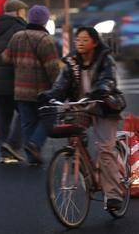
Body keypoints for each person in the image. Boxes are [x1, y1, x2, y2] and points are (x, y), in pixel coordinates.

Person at [39, 26, 124, 211]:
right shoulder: (72, 62)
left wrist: (101, 90)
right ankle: (86, 167)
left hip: (103, 105)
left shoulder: (105, 59)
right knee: (74, 139)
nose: (80, 43)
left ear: (94, 43)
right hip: (81, 106)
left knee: (105, 150)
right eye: (78, 40)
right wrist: (50, 95)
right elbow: (61, 85)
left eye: (85, 40)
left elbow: (108, 79)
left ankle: (113, 195)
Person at [2, 5, 60, 165]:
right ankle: (34, 145)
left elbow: (5, 58)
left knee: (28, 122)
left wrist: (20, 62)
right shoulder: (45, 40)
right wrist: (59, 88)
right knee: (50, 118)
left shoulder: (17, 36)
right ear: (45, 21)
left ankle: (32, 157)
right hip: (41, 90)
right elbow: (52, 68)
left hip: (20, 89)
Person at [0, 0, 28, 164]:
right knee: (25, 113)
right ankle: (13, 145)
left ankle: (4, 151)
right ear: (17, 12)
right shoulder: (21, 29)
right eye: (23, 11)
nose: (25, 14)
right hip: (17, 81)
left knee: (3, 118)